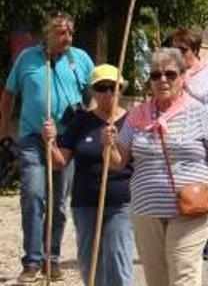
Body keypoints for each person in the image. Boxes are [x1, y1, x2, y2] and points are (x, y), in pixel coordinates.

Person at [102, 48, 208, 286]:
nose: (162, 80)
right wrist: (107, 145)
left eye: (170, 74)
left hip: (190, 209)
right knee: (157, 280)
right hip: (146, 210)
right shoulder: (136, 116)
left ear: (183, 77)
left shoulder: (199, 112)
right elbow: (117, 162)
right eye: (156, 75)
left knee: (182, 276)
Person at [0, 10, 94, 283]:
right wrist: (4, 130)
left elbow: (97, 96)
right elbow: (8, 94)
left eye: (70, 33)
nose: (67, 38)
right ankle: (31, 261)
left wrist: (86, 124)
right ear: (47, 34)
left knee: (60, 204)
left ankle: (51, 258)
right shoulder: (27, 59)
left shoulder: (81, 60)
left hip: (67, 141)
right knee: (33, 194)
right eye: (61, 32)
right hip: (32, 138)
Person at [42, 64, 133, 286]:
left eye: (113, 87)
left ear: (120, 89)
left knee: (117, 260)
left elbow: (124, 163)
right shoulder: (81, 121)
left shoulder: (131, 122)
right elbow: (59, 163)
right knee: (89, 263)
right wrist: (50, 142)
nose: (109, 93)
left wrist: (108, 146)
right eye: (102, 87)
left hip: (120, 202)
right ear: (93, 91)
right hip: (85, 203)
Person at [170, 27, 208, 260]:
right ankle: (181, 232)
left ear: (194, 49)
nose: (177, 52)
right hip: (175, 137)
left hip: (204, 139)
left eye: (182, 48)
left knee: (203, 186)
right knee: (178, 184)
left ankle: (206, 235)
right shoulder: (169, 71)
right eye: (173, 47)